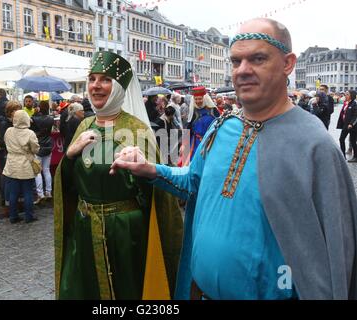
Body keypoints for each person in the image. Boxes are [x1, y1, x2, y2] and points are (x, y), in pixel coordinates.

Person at [111, 18, 357, 300]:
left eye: (258, 58)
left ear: (288, 63)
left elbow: (337, 253)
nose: (243, 70)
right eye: (236, 61)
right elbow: (194, 182)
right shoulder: (222, 127)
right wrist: (151, 169)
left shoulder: (316, 146)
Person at [53, 51, 183, 300]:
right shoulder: (83, 126)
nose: (95, 86)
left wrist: (140, 171)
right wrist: (69, 156)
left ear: (119, 88)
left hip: (125, 234)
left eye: (105, 79)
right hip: (85, 229)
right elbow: (69, 186)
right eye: (92, 79)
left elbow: (157, 196)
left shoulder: (136, 130)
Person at [3, 110, 40, 224]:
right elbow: (35, 149)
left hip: (12, 164)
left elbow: (5, 142)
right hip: (25, 164)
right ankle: (29, 216)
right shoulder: (30, 133)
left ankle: (13, 216)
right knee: (28, 192)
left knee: (13, 193)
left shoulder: (8, 131)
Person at [0, 101, 23, 217]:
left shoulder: (18, 122)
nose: (18, 112)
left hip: (14, 154)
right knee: (7, 179)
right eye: (16, 109)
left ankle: (17, 202)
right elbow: (2, 142)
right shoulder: (4, 123)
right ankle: (7, 203)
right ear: (10, 112)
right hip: (5, 154)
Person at [182, 86, 220, 166]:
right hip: (196, 143)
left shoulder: (213, 111)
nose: (198, 101)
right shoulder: (193, 112)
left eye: (200, 99)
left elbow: (219, 126)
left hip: (211, 142)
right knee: (195, 164)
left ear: (204, 98)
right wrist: (184, 144)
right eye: (196, 99)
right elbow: (188, 128)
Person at [31, 101, 55, 204]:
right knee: (46, 170)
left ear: (39, 108)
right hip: (48, 145)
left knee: (37, 171)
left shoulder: (35, 118)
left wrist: (35, 114)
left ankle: (40, 194)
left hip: (39, 146)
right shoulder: (51, 118)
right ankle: (48, 192)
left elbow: (31, 127)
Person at [337, 91, 357, 162]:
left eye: (347, 94)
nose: (345, 95)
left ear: (352, 95)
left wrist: (351, 124)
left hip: (352, 127)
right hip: (345, 125)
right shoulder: (346, 103)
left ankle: (355, 156)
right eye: (345, 94)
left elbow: (355, 116)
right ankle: (343, 155)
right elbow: (343, 114)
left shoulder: (354, 104)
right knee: (341, 139)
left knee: (353, 141)